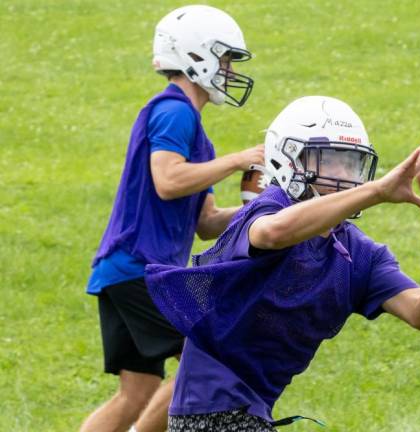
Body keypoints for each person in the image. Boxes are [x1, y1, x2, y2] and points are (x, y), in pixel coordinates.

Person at [145, 96, 420, 431]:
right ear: (287, 161)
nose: (344, 176)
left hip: (251, 408)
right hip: (211, 402)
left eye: (353, 164)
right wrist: (377, 192)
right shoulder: (268, 207)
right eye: (330, 161)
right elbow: (272, 234)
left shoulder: (358, 253)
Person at [81, 5, 264, 432]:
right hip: (138, 269)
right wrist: (238, 159)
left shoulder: (193, 127)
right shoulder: (175, 111)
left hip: (123, 269)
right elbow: (167, 179)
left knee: (137, 392)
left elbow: (208, 221)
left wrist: (266, 207)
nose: (229, 70)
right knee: (208, 355)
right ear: (195, 56)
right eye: (225, 59)